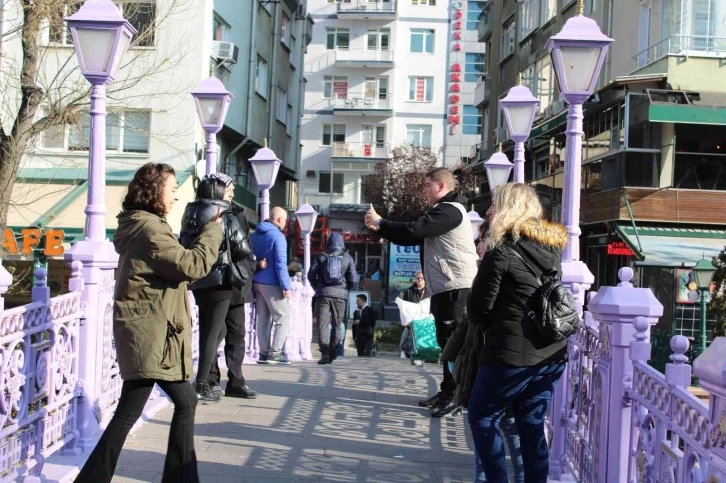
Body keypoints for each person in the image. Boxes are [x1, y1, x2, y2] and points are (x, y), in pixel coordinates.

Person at [75, 163, 223, 483]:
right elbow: (191, 264)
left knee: (147, 409)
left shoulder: (146, 226)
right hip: (149, 335)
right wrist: (213, 230)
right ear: (154, 191)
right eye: (171, 190)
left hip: (149, 333)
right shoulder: (150, 230)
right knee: (169, 405)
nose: (175, 196)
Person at [467, 183, 568, 483]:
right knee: (531, 423)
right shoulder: (551, 252)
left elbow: (477, 311)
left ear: (508, 210)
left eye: (494, 205)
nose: (488, 211)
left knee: (482, 417)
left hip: (510, 355)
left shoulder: (501, 253)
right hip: (551, 354)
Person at [365, 167, 478, 418]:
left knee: (453, 344)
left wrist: (381, 222)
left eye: (427, 185)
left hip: (456, 288)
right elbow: (412, 234)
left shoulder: (450, 211)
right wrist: (382, 227)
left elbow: (414, 230)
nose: (424, 191)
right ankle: (448, 391)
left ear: (440, 186)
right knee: (446, 343)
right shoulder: (442, 212)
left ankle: (456, 397)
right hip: (445, 288)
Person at [442, 220, 524, 483]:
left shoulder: (498, 269)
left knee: (490, 425)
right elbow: (469, 322)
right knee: (499, 427)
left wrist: (453, 355)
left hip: (497, 359)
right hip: (491, 357)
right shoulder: (491, 269)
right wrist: (450, 354)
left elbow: (475, 317)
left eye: (481, 239)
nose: (477, 245)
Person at [180, 173, 258, 402]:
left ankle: (232, 380)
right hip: (225, 278)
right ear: (217, 191)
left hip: (212, 280)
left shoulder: (192, 212)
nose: (232, 192)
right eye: (229, 188)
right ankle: (206, 382)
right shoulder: (222, 213)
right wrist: (250, 264)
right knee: (215, 332)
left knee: (229, 331)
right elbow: (243, 248)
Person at [308, 232, 358, 364]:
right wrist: (346, 289)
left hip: (323, 294)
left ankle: (324, 353)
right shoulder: (347, 258)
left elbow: (311, 275)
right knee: (337, 323)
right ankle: (333, 351)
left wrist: (317, 287)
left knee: (323, 324)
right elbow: (353, 279)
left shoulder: (321, 257)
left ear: (328, 243)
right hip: (340, 296)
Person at [251, 206, 292, 365]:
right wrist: (286, 287)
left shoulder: (255, 235)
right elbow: (281, 265)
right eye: (285, 220)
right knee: (283, 316)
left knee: (264, 318)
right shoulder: (278, 237)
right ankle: (275, 353)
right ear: (280, 219)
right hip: (272, 283)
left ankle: (263, 353)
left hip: (257, 281)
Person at [400, 272, 426, 359]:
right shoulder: (409, 291)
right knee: (403, 343)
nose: (419, 280)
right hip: (411, 322)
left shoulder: (429, 291)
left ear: (425, 279)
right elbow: (404, 306)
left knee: (420, 342)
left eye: (421, 278)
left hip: (424, 323)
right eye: (418, 278)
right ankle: (408, 354)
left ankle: (418, 356)